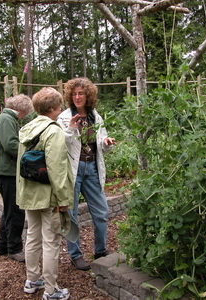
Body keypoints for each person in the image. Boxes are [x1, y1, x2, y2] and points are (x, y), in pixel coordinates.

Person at [17, 87, 74, 300]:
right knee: (51, 241)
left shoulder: (27, 128)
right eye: (59, 105)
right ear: (51, 108)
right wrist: (63, 199)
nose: (61, 109)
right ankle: (51, 291)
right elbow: (57, 169)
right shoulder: (53, 130)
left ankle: (32, 280)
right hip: (48, 195)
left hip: (30, 193)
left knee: (32, 235)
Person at [57, 77, 116, 271]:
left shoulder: (95, 116)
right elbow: (59, 143)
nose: (77, 97)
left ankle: (100, 250)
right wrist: (72, 128)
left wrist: (106, 143)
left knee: (101, 212)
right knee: (71, 213)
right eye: (74, 94)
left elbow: (101, 141)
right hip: (73, 170)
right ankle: (75, 255)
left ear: (88, 95)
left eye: (81, 93)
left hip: (91, 169)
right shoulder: (65, 117)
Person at [0, 94, 34, 262]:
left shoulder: (4, 119)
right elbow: (11, 145)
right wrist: (29, 154)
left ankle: (2, 246)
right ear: (21, 110)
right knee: (16, 212)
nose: (25, 116)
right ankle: (14, 249)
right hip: (7, 172)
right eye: (26, 113)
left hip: (4, 171)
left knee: (9, 211)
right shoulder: (7, 120)